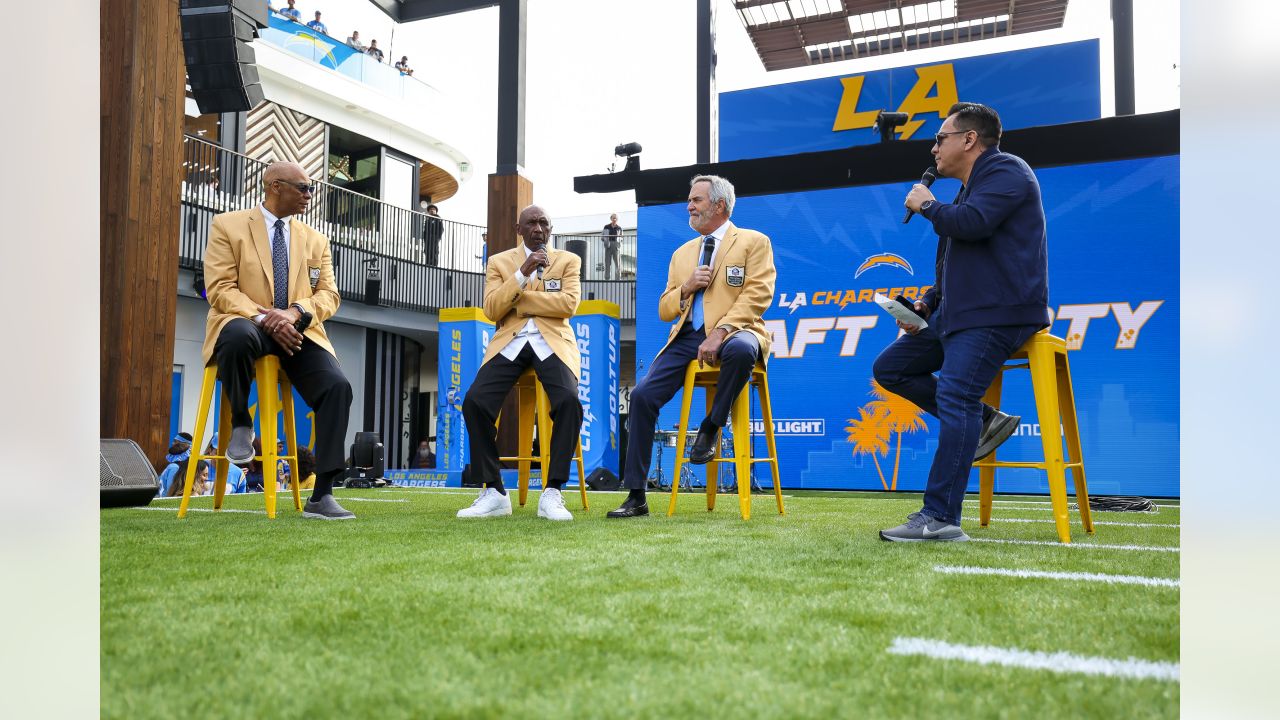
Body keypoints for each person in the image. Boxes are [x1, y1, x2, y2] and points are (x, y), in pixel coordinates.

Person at [875, 103, 1050, 543]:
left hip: (998, 313)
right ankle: (987, 419)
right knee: (890, 368)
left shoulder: (1008, 171)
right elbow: (954, 259)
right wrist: (927, 304)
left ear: (969, 139)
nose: (934, 148)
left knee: (955, 394)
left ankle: (940, 518)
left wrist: (928, 204)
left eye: (941, 138)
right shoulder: (967, 189)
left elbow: (973, 225)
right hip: (960, 314)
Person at [608, 175, 776, 518]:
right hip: (685, 338)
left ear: (719, 205)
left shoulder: (753, 241)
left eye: (696, 200)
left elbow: (758, 294)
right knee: (641, 397)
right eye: (690, 200)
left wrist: (722, 330)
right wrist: (685, 288)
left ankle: (712, 426)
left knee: (743, 350)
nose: (689, 206)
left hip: (738, 330)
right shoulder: (682, 253)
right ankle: (637, 495)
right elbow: (664, 308)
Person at [201, 160, 356, 520]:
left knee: (338, 388)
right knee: (237, 337)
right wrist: (266, 317)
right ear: (275, 187)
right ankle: (242, 422)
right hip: (246, 322)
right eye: (303, 188)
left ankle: (322, 495)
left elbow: (329, 295)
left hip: (298, 330)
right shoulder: (228, 225)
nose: (309, 195)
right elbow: (220, 288)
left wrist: (294, 314)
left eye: (310, 188)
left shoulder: (316, 240)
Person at [456, 205, 584, 521]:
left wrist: (520, 300)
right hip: (510, 343)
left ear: (550, 229)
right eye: (532, 223)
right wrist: (523, 273)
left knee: (569, 401)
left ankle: (553, 491)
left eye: (544, 223)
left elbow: (568, 305)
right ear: (519, 229)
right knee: (474, 402)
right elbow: (492, 309)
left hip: (551, 341)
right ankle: (494, 491)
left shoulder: (568, 261)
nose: (538, 228)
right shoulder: (499, 262)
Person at [602, 213, 622, 279]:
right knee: (607, 263)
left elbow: (621, 238)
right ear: (611, 219)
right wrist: (606, 241)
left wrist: (619, 242)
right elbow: (602, 237)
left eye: (615, 218)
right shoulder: (606, 227)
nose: (614, 219)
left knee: (617, 263)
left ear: (617, 219)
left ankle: (618, 279)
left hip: (616, 245)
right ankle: (607, 278)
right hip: (608, 245)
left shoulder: (619, 228)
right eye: (613, 218)